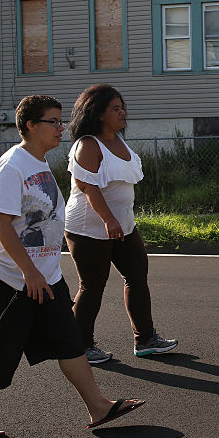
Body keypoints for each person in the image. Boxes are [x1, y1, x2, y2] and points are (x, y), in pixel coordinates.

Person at [0, 95, 144, 438]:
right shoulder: (12, 166)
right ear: (30, 125)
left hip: (45, 276)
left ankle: (98, 407)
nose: (61, 129)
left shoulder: (38, 163)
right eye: (52, 122)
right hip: (6, 275)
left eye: (60, 122)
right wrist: (29, 272)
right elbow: (1, 224)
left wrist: (42, 271)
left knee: (69, 341)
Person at [64, 84, 176, 363]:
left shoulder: (117, 140)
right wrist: (108, 219)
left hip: (123, 224)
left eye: (122, 107)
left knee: (137, 277)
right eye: (115, 108)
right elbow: (88, 187)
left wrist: (119, 220)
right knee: (92, 285)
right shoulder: (87, 144)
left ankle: (145, 339)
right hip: (89, 227)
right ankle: (80, 347)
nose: (122, 112)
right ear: (98, 113)